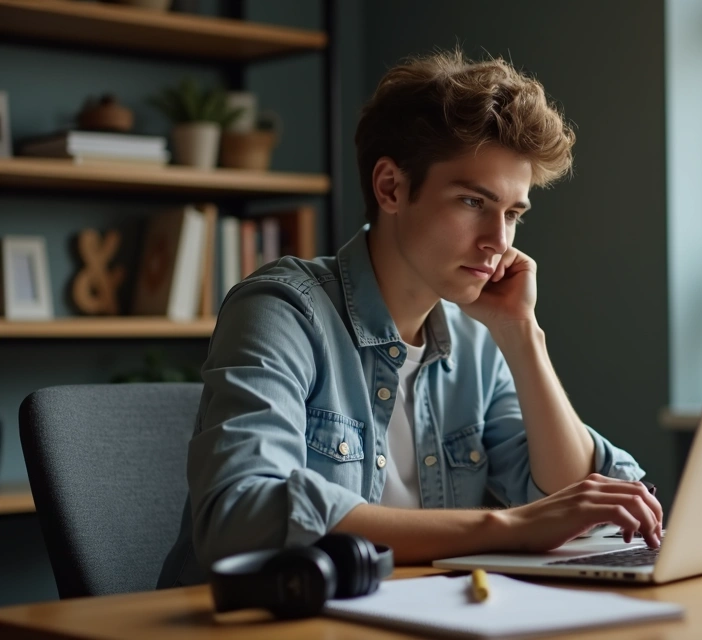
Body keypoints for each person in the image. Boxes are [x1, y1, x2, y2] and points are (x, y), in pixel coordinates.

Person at [158, 50, 662, 588]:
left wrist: (522, 335)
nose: (498, 240)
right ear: (391, 188)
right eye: (473, 202)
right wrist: (506, 527)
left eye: (513, 213)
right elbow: (241, 514)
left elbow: (576, 501)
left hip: (414, 616)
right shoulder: (283, 311)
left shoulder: (477, 341)